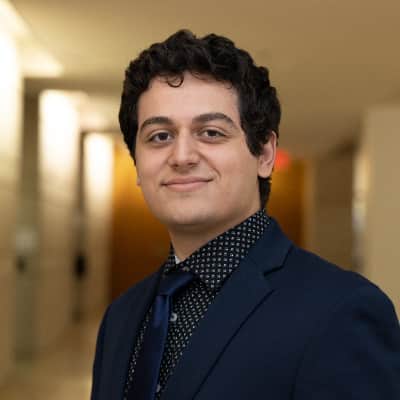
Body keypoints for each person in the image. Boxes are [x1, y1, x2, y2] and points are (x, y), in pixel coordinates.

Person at [90, 30, 400, 400]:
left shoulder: (341, 311)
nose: (182, 156)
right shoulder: (121, 317)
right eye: (160, 136)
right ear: (138, 165)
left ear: (265, 155)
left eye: (210, 132)